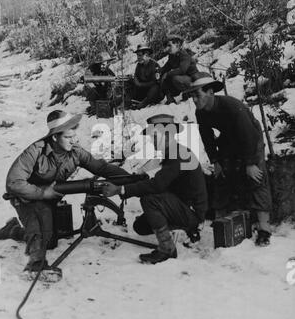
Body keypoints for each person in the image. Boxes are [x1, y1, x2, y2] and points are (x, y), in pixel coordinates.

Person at [5, 110, 129, 273]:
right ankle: (36, 265)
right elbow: (13, 182)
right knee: (40, 229)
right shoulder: (35, 151)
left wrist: (131, 180)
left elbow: (101, 168)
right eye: (68, 137)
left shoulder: (75, 151)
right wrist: (42, 193)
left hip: (49, 198)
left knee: (50, 241)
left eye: (74, 136)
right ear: (55, 137)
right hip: (26, 198)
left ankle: (12, 230)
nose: (74, 140)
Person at [102, 114, 208, 264]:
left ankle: (167, 249)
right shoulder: (173, 152)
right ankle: (180, 229)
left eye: (154, 135)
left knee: (149, 199)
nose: (152, 140)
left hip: (192, 213)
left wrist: (120, 190)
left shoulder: (177, 154)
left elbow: (158, 185)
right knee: (141, 226)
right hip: (183, 205)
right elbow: (164, 181)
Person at [184, 72, 273, 247]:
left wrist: (250, 163)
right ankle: (219, 220)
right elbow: (207, 137)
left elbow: (249, 136)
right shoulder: (201, 112)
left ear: (210, 92)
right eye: (192, 96)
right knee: (221, 175)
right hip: (229, 139)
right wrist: (215, 161)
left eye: (198, 94)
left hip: (251, 138)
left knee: (256, 177)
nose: (194, 99)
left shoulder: (233, 108)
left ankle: (264, 228)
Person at [161, 35, 198, 104]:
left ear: (177, 45)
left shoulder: (184, 55)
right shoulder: (172, 56)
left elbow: (182, 70)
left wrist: (167, 74)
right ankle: (171, 99)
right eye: (167, 46)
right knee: (165, 79)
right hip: (184, 80)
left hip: (194, 80)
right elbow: (166, 67)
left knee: (175, 78)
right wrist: (159, 72)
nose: (167, 48)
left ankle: (190, 93)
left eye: (169, 45)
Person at [133, 45, 162, 109]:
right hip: (143, 90)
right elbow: (136, 76)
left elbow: (155, 82)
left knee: (155, 88)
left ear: (146, 55)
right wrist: (136, 81)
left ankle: (141, 105)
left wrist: (140, 84)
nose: (138, 57)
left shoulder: (155, 65)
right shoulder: (139, 65)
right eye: (137, 55)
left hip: (154, 93)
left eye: (140, 55)